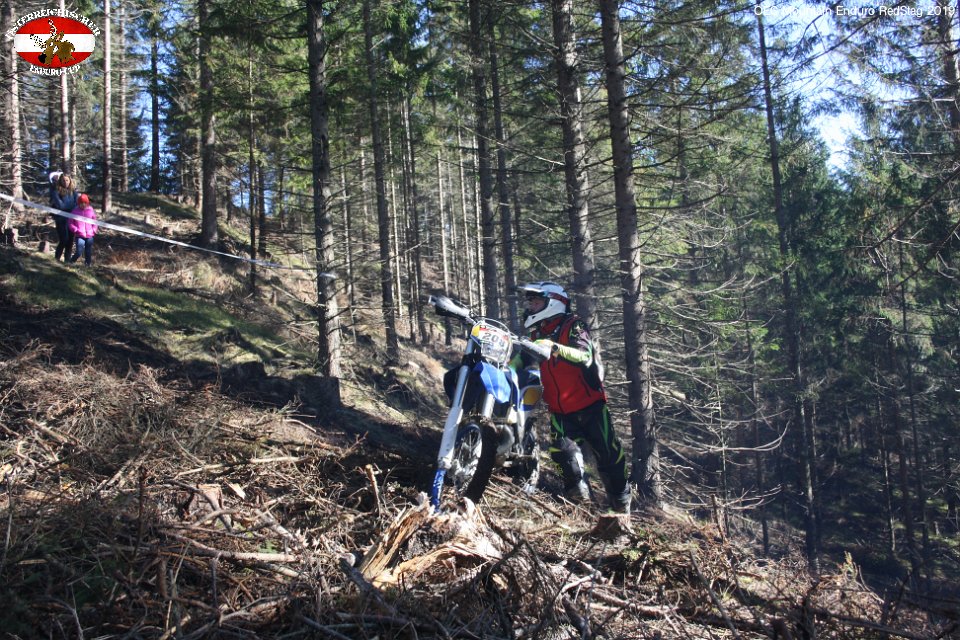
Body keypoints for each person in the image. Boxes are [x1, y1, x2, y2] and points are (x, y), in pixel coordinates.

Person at [516, 281, 631, 514]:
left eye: (536, 301)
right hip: (560, 412)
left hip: (591, 407)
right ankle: (582, 511)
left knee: (609, 457)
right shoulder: (537, 333)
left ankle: (621, 507)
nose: (531, 306)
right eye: (530, 302)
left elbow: (584, 355)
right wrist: (507, 368)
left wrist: (554, 348)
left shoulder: (573, 325)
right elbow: (523, 359)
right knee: (563, 458)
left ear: (553, 302)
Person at [49, 172, 78, 262]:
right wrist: (70, 207)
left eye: (67, 180)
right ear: (60, 181)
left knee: (70, 241)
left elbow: (77, 205)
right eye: (63, 180)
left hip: (72, 219)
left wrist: (72, 208)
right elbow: (60, 206)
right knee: (63, 239)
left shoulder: (74, 191)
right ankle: (57, 259)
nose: (65, 182)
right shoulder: (56, 191)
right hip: (60, 219)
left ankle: (67, 261)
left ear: (70, 181)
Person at [68, 193, 98, 266]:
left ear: (87, 203)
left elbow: (95, 222)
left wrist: (94, 230)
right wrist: (75, 230)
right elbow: (70, 223)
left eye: (85, 203)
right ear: (78, 203)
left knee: (88, 251)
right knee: (79, 251)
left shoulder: (91, 211)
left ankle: (88, 265)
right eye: (81, 203)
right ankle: (71, 262)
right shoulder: (74, 211)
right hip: (79, 235)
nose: (83, 204)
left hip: (90, 235)